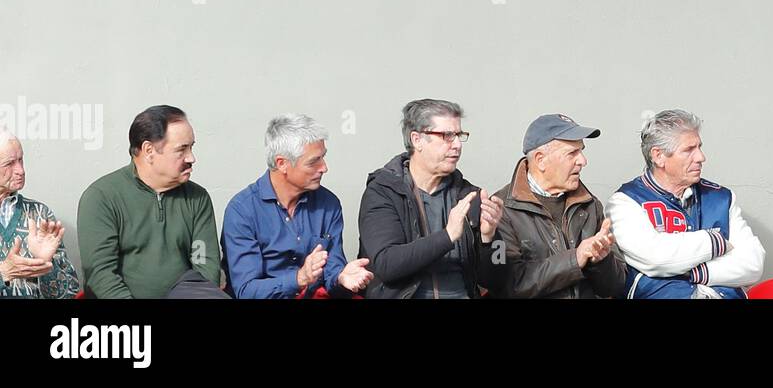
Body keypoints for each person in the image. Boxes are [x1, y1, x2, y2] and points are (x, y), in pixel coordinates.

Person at [607, 110, 764, 298]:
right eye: (689, 150)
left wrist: (694, 271)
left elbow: (753, 263)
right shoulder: (626, 201)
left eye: (699, 147)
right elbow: (657, 258)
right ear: (658, 156)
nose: (701, 157)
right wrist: (715, 242)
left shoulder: (722, 198)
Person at [357, 99, 504, 298]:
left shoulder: (469, 195)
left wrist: (490, 238)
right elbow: (386, 264)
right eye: (447, 136)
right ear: (417, 139)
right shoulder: (383, 192)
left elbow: (499, 277)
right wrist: (448, 236)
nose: (458, 145)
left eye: (459, 135)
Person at [77, 105, 226, 298]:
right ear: (149, 150)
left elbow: (206, 268)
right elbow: (101, 276)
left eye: (191, 147)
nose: (191, 158)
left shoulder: (197, 198)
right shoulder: (101, 197)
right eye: (181, 149)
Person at [222, 114, 373, 298]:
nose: (324, 167)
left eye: (323, 157)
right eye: (313, 161)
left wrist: (341, 278)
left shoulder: (328, 204)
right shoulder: (242, 211)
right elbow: (246, 291)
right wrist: (299, 279)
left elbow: (333, 270)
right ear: (282, 164)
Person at [488, 113, 624, 298]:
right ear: (540, 160)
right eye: (572, 153)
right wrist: (575, 259)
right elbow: (510, 285)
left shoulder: (589, 205)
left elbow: (614, 287)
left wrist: (602, 261)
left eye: (581, 151)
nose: (583, 161)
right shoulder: (501, 210)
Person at [0, 126, 79, 298]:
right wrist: (3, 273)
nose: (20, 170)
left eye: (21, 160)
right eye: (10, 163)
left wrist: (46, 264)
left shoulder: (39, 214)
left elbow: (68, 292)